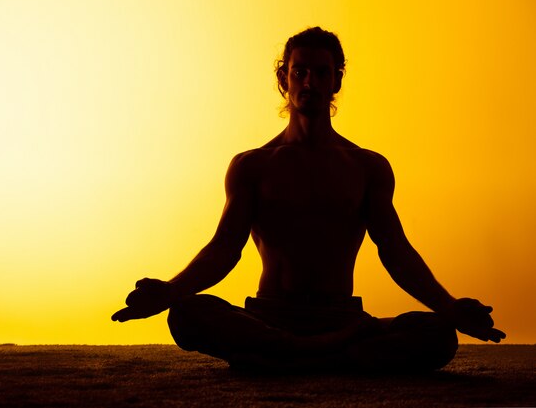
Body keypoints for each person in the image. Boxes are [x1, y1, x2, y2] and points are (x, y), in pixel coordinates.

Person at [112, 27, 505, 371]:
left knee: (437, 333)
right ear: (284, 79)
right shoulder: (252, 165)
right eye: (299, 71)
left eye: (321, 73)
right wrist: (170, 290)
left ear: (336, 80)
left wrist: (450, 307)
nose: (310, 82)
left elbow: (395, 250)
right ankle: (326, 358)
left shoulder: (367, 167)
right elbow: (224, 248)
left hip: (341, 320)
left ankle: (286, 358)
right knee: (187, 314)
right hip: (270, 317)